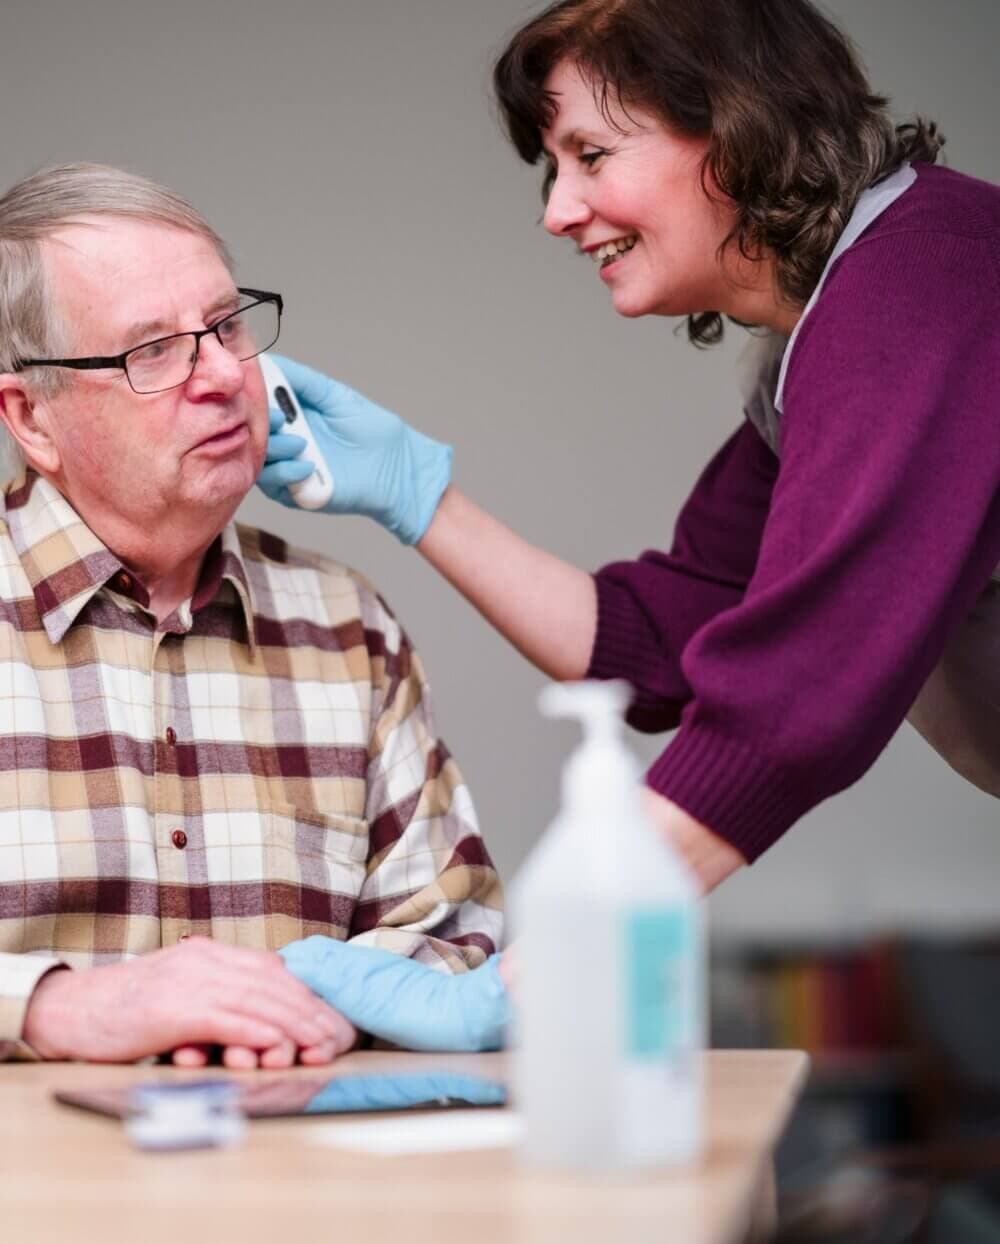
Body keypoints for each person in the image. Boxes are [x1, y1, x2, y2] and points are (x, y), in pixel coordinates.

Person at [258, 0, 999, 1050]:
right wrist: (420, 499)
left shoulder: (926, 279)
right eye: (551, 169)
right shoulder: (819, 346)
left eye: (591, 154)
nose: (558, 211)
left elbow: (803, 689)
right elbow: (666, 644)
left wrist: (539, 973)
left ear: (739, 128)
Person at [0, 163, 502, 1066]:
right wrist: (58, 1009)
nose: (226, 375)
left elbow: (455, 931)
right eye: (152, 350)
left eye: (227, 325)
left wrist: (308, 1015)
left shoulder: (348, 625)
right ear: (30, 417)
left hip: (291, 1189)